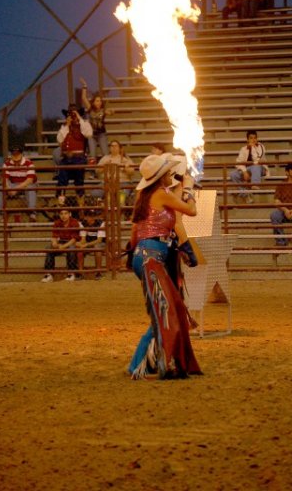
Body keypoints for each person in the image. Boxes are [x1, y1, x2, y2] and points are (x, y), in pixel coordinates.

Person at [128, 154, 202, 380]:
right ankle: (150, 363)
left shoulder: (145, 196)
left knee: (165, 309)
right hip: (153, 257)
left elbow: (134, 233)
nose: (171, 174)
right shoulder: (161, 194)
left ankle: (146, 362)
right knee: (166, 310)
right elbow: (191, 211)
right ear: (161, 176)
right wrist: (189, 189)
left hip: (145, 255)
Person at [56, 103, 93, 199]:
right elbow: (60, 140)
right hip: (66, 158)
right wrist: (67, 125)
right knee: (61, 182)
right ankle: (61, 204)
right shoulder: (64, 127)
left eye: (74, 114)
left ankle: (81, 205)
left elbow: (88, 133)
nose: (72, 116)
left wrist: (79, 119)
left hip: (78, 158)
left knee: (79, 182)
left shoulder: (84, 124)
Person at [0, 145, 38, 222]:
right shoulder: (7, 164)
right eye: (14, 154)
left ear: (21, 154)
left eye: (17, 153)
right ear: (11, 154)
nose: (15, 155)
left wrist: (15, 189)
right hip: (13, 184)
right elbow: (4, 179)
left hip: (25, 184)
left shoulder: (29, 163)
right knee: (0, 188)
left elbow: (29, 180)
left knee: (31, 188)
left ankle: (32, 213)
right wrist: (8, 188)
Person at [80, 78, 113, 165]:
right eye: (97, 101)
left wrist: (111, 112)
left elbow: (110, 112)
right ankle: (93, 172)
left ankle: (106, 171)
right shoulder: (90, 109)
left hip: (101, 134)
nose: (99, 103)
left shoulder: (103, 110)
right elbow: (83, 98)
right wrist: (84, 86)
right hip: (92, 134)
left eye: (100, 101)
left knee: (106, 153)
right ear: (93, 102)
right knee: (92, 154)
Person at [41, 208, 80, 282]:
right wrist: (54, 243)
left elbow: (74, 239)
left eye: (65, 213)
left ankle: (71, 273)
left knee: (71, 249)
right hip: (61, 241)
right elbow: (54, 236)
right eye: (61, 214)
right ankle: (49, 274)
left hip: (71, 242)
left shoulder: (74, 222)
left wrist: (63, 246)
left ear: (69, 214)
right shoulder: (57, 223)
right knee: (49, 248)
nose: (63, 216)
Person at [91, 139, 135, 205]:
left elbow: (132, 172)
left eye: (116, 146)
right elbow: (97, 171)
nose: (113, 148)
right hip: (107, 183)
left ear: (119, 148)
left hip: (122, 183)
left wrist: (124, 168)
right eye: (112, 146)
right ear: (109, 148)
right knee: (94, 193)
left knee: (123, 194)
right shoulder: (105, 158)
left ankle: (120, 211)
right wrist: (104, 165)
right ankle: (103, 206)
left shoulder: (125, 159)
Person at [230, 130, 269, 203]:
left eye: (255, 138)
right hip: (248, 169)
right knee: (233, 174)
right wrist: (244, 171)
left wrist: (253, 148)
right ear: (247, 139)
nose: (253, 140)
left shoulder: (261, 147)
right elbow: (238, 162)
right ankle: (245, 193)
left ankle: (255, 184)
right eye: (251, 138)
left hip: (260, 168)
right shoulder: (243, 149)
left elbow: (257, 161)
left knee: (255, 166)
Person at [76, 207, 106, 280]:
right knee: (80, 249)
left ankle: (98, 272)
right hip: (88, 243)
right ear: (85, 217)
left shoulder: (101, 223)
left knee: (97, 248)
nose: (91, 218)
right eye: (89, 216)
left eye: (93, 216)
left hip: (100, 243)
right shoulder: (83, 223)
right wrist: (81, 244)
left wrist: (86, 244)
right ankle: (81, 273)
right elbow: (83, 238)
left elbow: (99, 240)